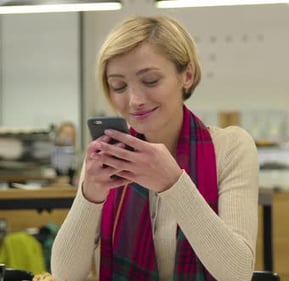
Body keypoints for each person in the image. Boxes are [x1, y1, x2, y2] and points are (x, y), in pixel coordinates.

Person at [51, 15, 259, 281]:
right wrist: (89, 195)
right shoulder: (109, 154)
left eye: (150, 81)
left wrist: (172, 183)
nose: (135, 100)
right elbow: (65, 275)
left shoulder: (231, 147)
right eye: (119, 86)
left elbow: (237, 273)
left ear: (187, 75)